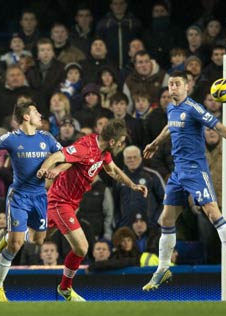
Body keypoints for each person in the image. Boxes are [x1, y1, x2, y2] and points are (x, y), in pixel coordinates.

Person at [141, 70, 226, 291]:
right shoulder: (171, 108)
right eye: (170, 85)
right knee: (166, 220)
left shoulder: (195, 108)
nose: (172, 88)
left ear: (187, 87)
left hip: (196, 171)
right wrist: (155, 143)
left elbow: (220, 128)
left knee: (212, 212)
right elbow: (170, 126)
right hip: (178, 173)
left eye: (177, 84)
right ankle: (163, 267)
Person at [36, 118, 147, 301]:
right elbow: (56, 157)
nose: (121, 145)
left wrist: (132, 185)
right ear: (112, 142)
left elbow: (112, 170)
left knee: (37, 237)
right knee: (82, 247)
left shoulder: (104, 151)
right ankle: (65, 288)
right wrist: (44, 170)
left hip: (71, 203)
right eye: (120, 142)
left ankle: (2, 237)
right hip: (59, 201)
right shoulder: (85, 147)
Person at [0, 101, 61, 302]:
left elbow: (65, 155)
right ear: (26, 117)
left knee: (38, 240)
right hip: (19, 196)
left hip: (40, 196)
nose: (40, 114)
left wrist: (56, 168)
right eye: (36, 111)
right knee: (16, 245)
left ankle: (0, 237)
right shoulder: (12, 138)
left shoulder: (47, 138)